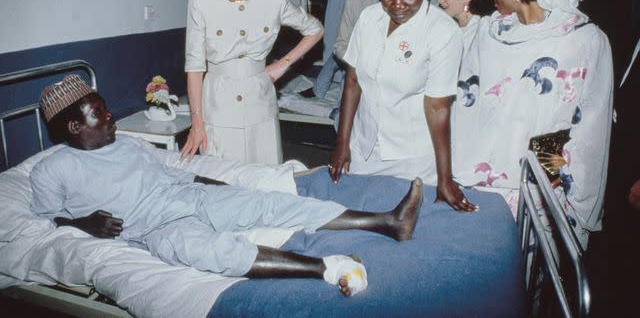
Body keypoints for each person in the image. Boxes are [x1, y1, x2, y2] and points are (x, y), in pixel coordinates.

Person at [32, 74, 424, 297]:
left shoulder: (129, 142)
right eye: (99, 112)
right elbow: (46, 222)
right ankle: (327, 267)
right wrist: (84, 224)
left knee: (268, 204)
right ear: (74, 126)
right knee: (210, 252)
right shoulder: (54, 170)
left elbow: (170, 173)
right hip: (157, 227)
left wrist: (215, 183)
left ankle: (386, 221)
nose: (111, 115)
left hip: (190, 196)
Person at [453, 0, 613, 250]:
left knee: (532, 273)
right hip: (486, 174)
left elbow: (592, 117)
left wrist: (567, 179)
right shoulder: (489, 33)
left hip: (542, 178)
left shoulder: (583, 39)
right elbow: (467, 98)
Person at [328, 0, 477, 213]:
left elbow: (438, 107)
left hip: (412, 156)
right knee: (359, 219)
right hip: (364, 146)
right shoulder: (369, 18)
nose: (397, 5)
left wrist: (445, 178)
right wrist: (342, 142)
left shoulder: (442, 31)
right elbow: (353, 80)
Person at [181, 0, 324, 165]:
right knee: (222, 179)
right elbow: (195, 67)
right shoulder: (201, 2)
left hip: (260, 103)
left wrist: (282, 64)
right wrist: (197, 122)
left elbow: (315, 29)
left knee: (266, 176)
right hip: (218, 104)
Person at [299, 0, 383, 106]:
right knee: (334, 59)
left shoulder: (405, 3)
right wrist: (362, 63)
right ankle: (318, 90)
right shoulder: (355, 0)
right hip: (358, 74)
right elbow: (340, 45)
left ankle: (318, 89)